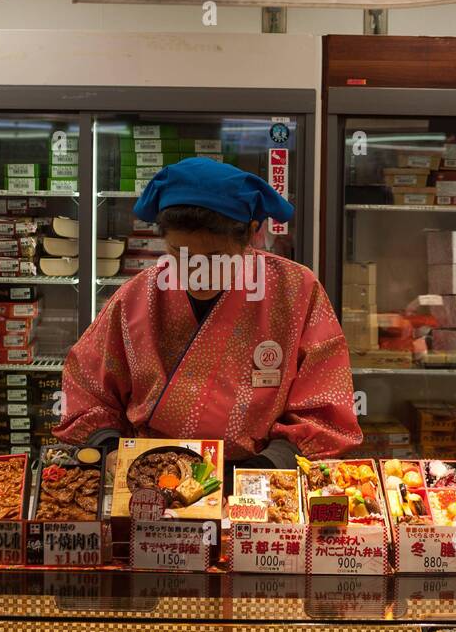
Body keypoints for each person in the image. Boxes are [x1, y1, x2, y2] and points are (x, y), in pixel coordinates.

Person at [55, 156, 361, 470]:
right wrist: (108, 445)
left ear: (251, 234)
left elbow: (325, 404)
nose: (195, 271)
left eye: (215, 256)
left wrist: (268, 464)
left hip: (258, 477)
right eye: (178, 253)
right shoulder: (137, 296)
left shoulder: (295, 290)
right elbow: (88, 388)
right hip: (149, 475)